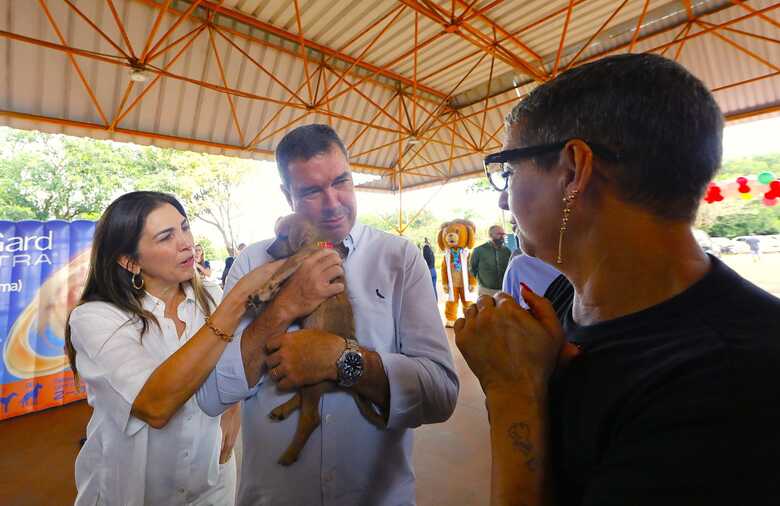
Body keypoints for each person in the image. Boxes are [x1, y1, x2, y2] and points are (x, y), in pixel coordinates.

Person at [455, 53, 780, 506]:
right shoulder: (561, 297)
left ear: (572, 170)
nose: (505, 203)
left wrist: (511, 395)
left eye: (508, 172)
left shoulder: (732, 383)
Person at [197, 124, 458, 505]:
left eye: (341, 181)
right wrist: (285, 307)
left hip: (378, 496)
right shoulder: (251, 263)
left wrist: (343, 361)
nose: (333, 202)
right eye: (311, 191)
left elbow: (441, 393)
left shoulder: (399, 259)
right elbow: (214, 393)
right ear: (287, 195)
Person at [65, 191, 283, 506]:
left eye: (184, 227)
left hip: (210, 486)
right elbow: (155, 404)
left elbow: (232, 361)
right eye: (166, 237)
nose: (185, 243)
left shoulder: (209, 296)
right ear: (130, 261)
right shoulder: (96, 318)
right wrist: (238, 301)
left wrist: (232, 406)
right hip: (132, 492)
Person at [470, 225, 511, 297]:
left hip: (505, 289)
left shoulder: (507, 251)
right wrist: (482, 282)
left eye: (503, 234)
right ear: (490, 235)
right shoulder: (479, 250)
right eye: (499, 234)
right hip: (486, 291)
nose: (502, 236)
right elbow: (472, 269)